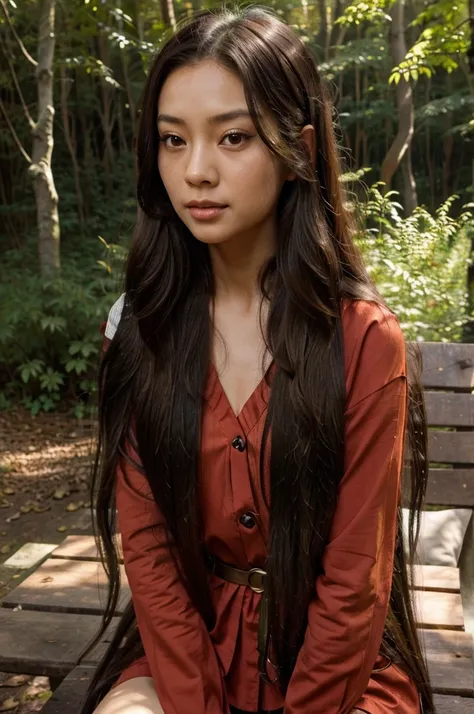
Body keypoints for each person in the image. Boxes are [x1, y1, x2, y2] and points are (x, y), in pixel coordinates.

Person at [78, 6, 435, 714]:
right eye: (172, 141)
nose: (196, 171)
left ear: (295, 147)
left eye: (233, 137)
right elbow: (148, 553)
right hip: (185, 652)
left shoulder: (363, 341)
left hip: (336, 670)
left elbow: (355, 580)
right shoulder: (138, 331)